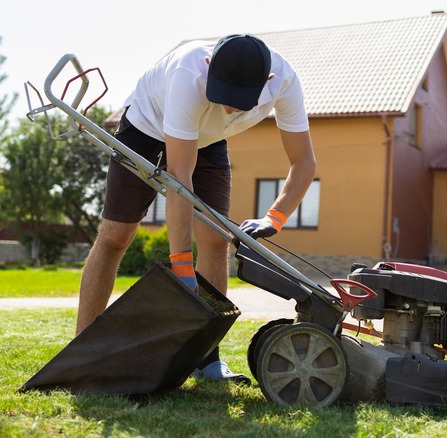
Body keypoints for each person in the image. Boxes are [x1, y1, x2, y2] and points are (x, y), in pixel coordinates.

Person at [76, 34, 317, 383]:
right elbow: (180, 177)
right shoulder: (188, 72)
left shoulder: (285, 80)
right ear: (209, 67)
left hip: (207, 140)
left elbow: (304, 162)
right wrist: (181, 268)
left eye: (241, 101)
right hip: (145, 128)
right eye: (226, 97)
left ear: (266, 82)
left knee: (216, 239)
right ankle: (83, 349)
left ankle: (207, 359)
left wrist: (274, 216)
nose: (232, 109)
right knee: (115, 235)